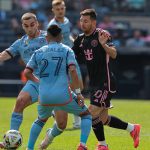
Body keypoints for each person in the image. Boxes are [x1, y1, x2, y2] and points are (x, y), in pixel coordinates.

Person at [72, 9, 141, 150]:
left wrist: (103, 44)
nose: (82, 24)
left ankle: (87, 145)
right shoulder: (80, 39)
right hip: (94, 83)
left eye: (86, 21)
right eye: (81, 21)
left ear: (93, 22)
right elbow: (70, 56)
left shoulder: (102, 35)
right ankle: (132, 129)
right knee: (102, 119)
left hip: (106, 81)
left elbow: (114, 54)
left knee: (89, 113)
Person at [24, 24, 92, 150]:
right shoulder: (67, 50)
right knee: (86, 115)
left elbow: (27, 73)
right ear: (61, 37)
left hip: (44, 95)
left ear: (47, 37)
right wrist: (78, 93)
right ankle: (82, 145)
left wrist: (39, 82)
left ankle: (29, 148)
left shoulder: (38, 52)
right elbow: (72, 70)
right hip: (63, 95)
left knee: (40, 120)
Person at [0, 12, 48, 148]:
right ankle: (11, 139)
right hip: (34, 82)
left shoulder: (48, 37)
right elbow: (4, 55)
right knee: (20, 102)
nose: (30, 28)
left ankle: (50, 136)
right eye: (26, 26)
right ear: (23, 26)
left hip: (52, 81)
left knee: (61, 121)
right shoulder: (21, 42)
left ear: (37, 23)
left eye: (32, 25)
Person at [47, 0, 82, 129]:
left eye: (62, 8)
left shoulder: (66, 21)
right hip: (61, 60)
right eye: (57, 9)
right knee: (68, 88)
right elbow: (50, 43)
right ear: (53, 10)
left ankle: (74, 118)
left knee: (78, 87)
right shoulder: (52, 25)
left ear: (65, 8)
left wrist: (75, 42)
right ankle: (74, 119)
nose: (60, 11)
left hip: (71, 56)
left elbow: (68, 38)